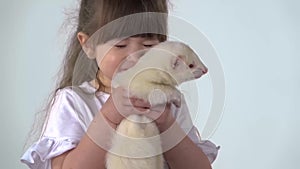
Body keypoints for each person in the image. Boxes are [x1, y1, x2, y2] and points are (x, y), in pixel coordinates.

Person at [21, 0, 220, 169]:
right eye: (120, 45)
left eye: (149, 45)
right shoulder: (74, 102)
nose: (134, 56)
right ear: (88, 45)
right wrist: (110, 115)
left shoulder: (170, 101)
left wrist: (166, 123)